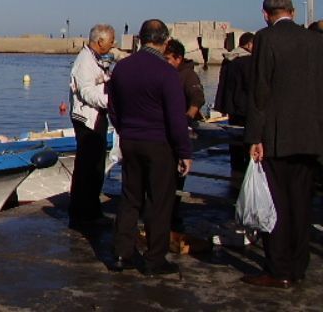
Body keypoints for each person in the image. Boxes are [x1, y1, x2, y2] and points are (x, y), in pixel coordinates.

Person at [242, 0, 323, 288]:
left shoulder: (266, 38)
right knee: (302, 204)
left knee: (275, 205)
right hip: (310, 137)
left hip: (277, 137)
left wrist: (254, 137)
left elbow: (260, 90)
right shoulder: (316, 41)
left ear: (266, 14)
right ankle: (299, 265)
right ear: (292, 12)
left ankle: (279, 269)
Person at [108, 19, 192, 275]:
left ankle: (122, 253)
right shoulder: (167, 72)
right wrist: (184, 152)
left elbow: (113, 107)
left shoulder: (122, 68)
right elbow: (176, 117)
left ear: (139, 39)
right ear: (165, 41)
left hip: (130, 140)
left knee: (130, 198)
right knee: (159, 201)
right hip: (158, 143)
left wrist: (125, 130)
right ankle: (155, 259)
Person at [68, 23, 116, 228]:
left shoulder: (95, 59)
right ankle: (82, 214)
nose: (113, 45)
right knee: (87, 168)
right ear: (100, 41)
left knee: (96, 167)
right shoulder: (84, 62)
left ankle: (91, 209)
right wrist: (111, 100)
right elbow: (86, 92)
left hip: (97, 117)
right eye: (111, 41)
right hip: (87, 120)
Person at [164, 38, 205, 230]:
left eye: (168, 59)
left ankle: (172, 214)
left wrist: (187, 117)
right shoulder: (166, 74)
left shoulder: (188, 76)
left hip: (179, 131)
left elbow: (197, 98)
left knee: (176, 177)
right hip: (164, 133)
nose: (165, 62)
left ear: (178, 58)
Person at [214, 32, 255, 171]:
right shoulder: (248, 61)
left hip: (231, 107)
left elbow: (223, 84)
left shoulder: (229, 59)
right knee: (247, 140)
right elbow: (250, 86)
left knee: (234, 142)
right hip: (245, 108)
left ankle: (235, 169)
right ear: (249, 44)